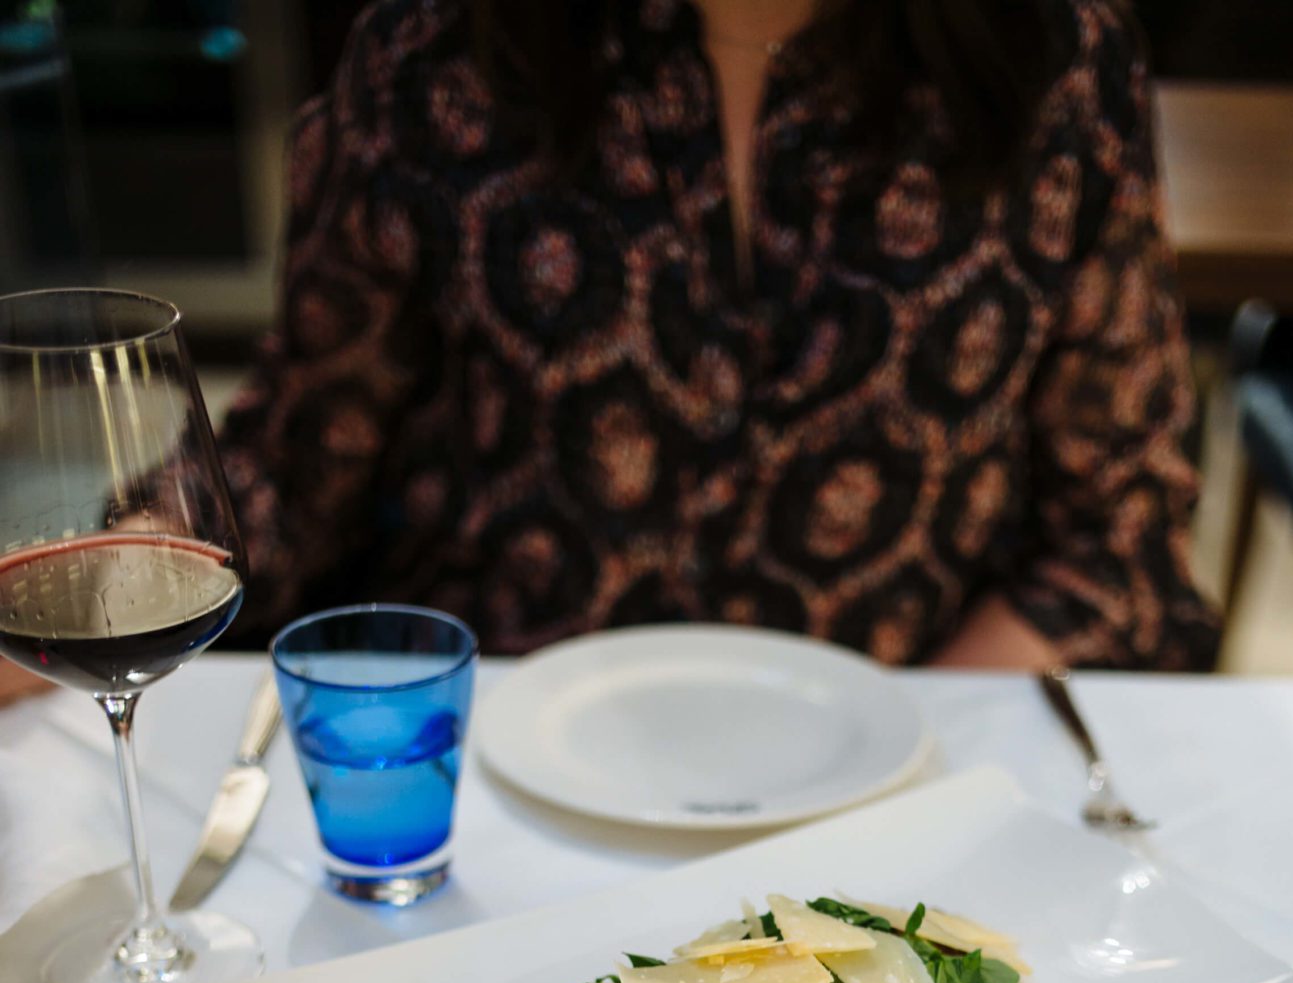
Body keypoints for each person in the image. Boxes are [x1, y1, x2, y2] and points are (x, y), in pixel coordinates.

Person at [0, 0, 1218, 707]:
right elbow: (294, 458)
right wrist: (95, 585)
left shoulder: (1052, 51)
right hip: (490, 772)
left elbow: (1119, 525)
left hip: (901, 745)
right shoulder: (438, 49)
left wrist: (901, 745)